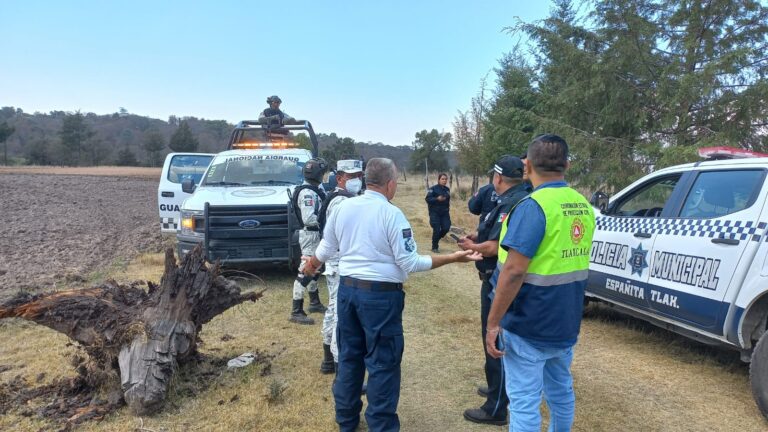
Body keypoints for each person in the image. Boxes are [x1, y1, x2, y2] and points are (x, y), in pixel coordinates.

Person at [304, 158, 481, 432]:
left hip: (348, 292)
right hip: (381, 299)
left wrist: (311, 265)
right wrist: (452, 258)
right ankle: (381, 425)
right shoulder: (391, 213)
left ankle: (346, 422)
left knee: (350, 358)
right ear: (390, 183)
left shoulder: (344, 207)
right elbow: (410, 262)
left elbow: (326, 248)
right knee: (383, 363)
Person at [486, 134, 596, 432]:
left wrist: (493, 323)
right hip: (566, 319)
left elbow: (514, 271)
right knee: (561, 391)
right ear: (567, 165)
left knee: (523, 401)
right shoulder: (583, 206)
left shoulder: (533, 206)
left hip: (528, 321)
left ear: (527, 166)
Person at [457, 155, 530, 426]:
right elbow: (493, 234)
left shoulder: (512, 202)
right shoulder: (512, 198)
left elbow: (496, 246)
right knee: (497, 342)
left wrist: (471, 247)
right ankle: (496, 389)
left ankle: (496, 408)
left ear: (497, 177)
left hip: (498, 280)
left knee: (495, 342)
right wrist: (478, 237)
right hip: (496, 277)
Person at [317, 159, 364, 374]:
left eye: (359, 176)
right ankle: (340, 367)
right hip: (339, 263)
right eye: (351, 176)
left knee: (333, 310)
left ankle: (328, 359)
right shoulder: (342, 201)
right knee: (340, 317)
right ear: (340, 178)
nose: (356, 180)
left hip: (336, 262)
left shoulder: (340, 197)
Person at [290, 157, 328, 325]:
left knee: (315, 268)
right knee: (306, 270)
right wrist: (326, 221)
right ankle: (296, 310)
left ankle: (314, 302)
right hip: (310, 234)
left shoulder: (314, 189)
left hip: (314, 234)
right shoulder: (308, 193)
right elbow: (308, 218)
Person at [425, 173, 451, 253]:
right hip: (434, 212)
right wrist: (437, 199)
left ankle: (436, 239)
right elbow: (427, 199)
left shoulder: (447, 189)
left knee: (446, 228)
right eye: (442, 179)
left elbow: (448, 200)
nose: (444, 181)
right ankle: (434, 247)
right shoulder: (433, 189)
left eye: (445, 179)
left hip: (444, 213)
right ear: (439, 180)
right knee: (436, 229)